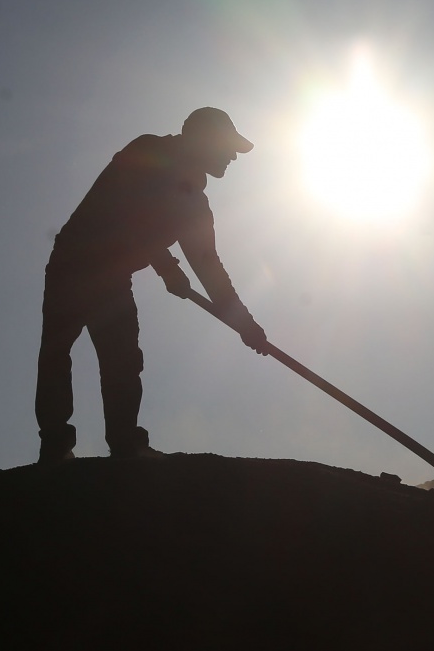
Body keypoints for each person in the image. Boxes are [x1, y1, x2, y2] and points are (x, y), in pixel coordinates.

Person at [34, 107, 271, 464]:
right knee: (57, 350)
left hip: (113, 278)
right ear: (202, 139)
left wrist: (245, 325)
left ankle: (124, 443)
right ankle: (55, 445)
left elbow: (209, 268)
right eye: (228, 146)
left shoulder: (196, 207)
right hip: (74, 263)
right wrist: (167, 267)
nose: (233, 156)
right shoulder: (149, 150)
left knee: (123, 360)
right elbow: (126, 210)